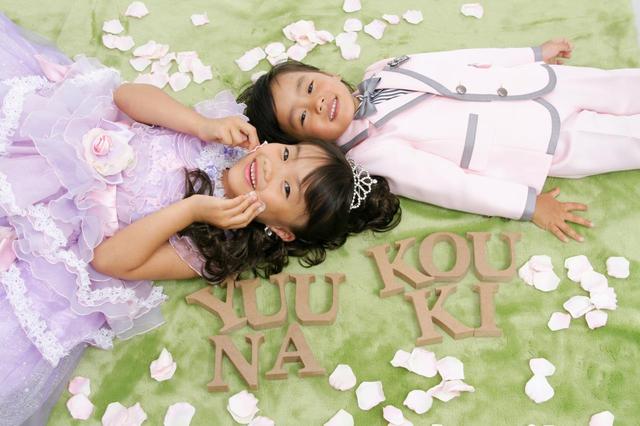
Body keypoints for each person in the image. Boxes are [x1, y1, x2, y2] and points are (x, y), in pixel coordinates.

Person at [0, 14, 401, 425]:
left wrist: (189, 211)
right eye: (286, 154)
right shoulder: (223, 137)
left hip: (49, 220)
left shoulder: (216, 242)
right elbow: (125, 96)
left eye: (285, 189)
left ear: (280, 230)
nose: (270, 167)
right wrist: (199, 124)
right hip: (44, 143)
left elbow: (108, 261)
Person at [239, 38, 640, 243]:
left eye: (310, 86)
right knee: (619, 142)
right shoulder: (369, 153)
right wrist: (527, 204)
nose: (316, 102)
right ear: (307, 144)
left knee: (617, 85)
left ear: (325, 74)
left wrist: (529, 55)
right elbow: (448, 184)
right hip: (533, 143)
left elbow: (459, 58)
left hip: (533, 84)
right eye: (303, 117)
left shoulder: (380, 70)